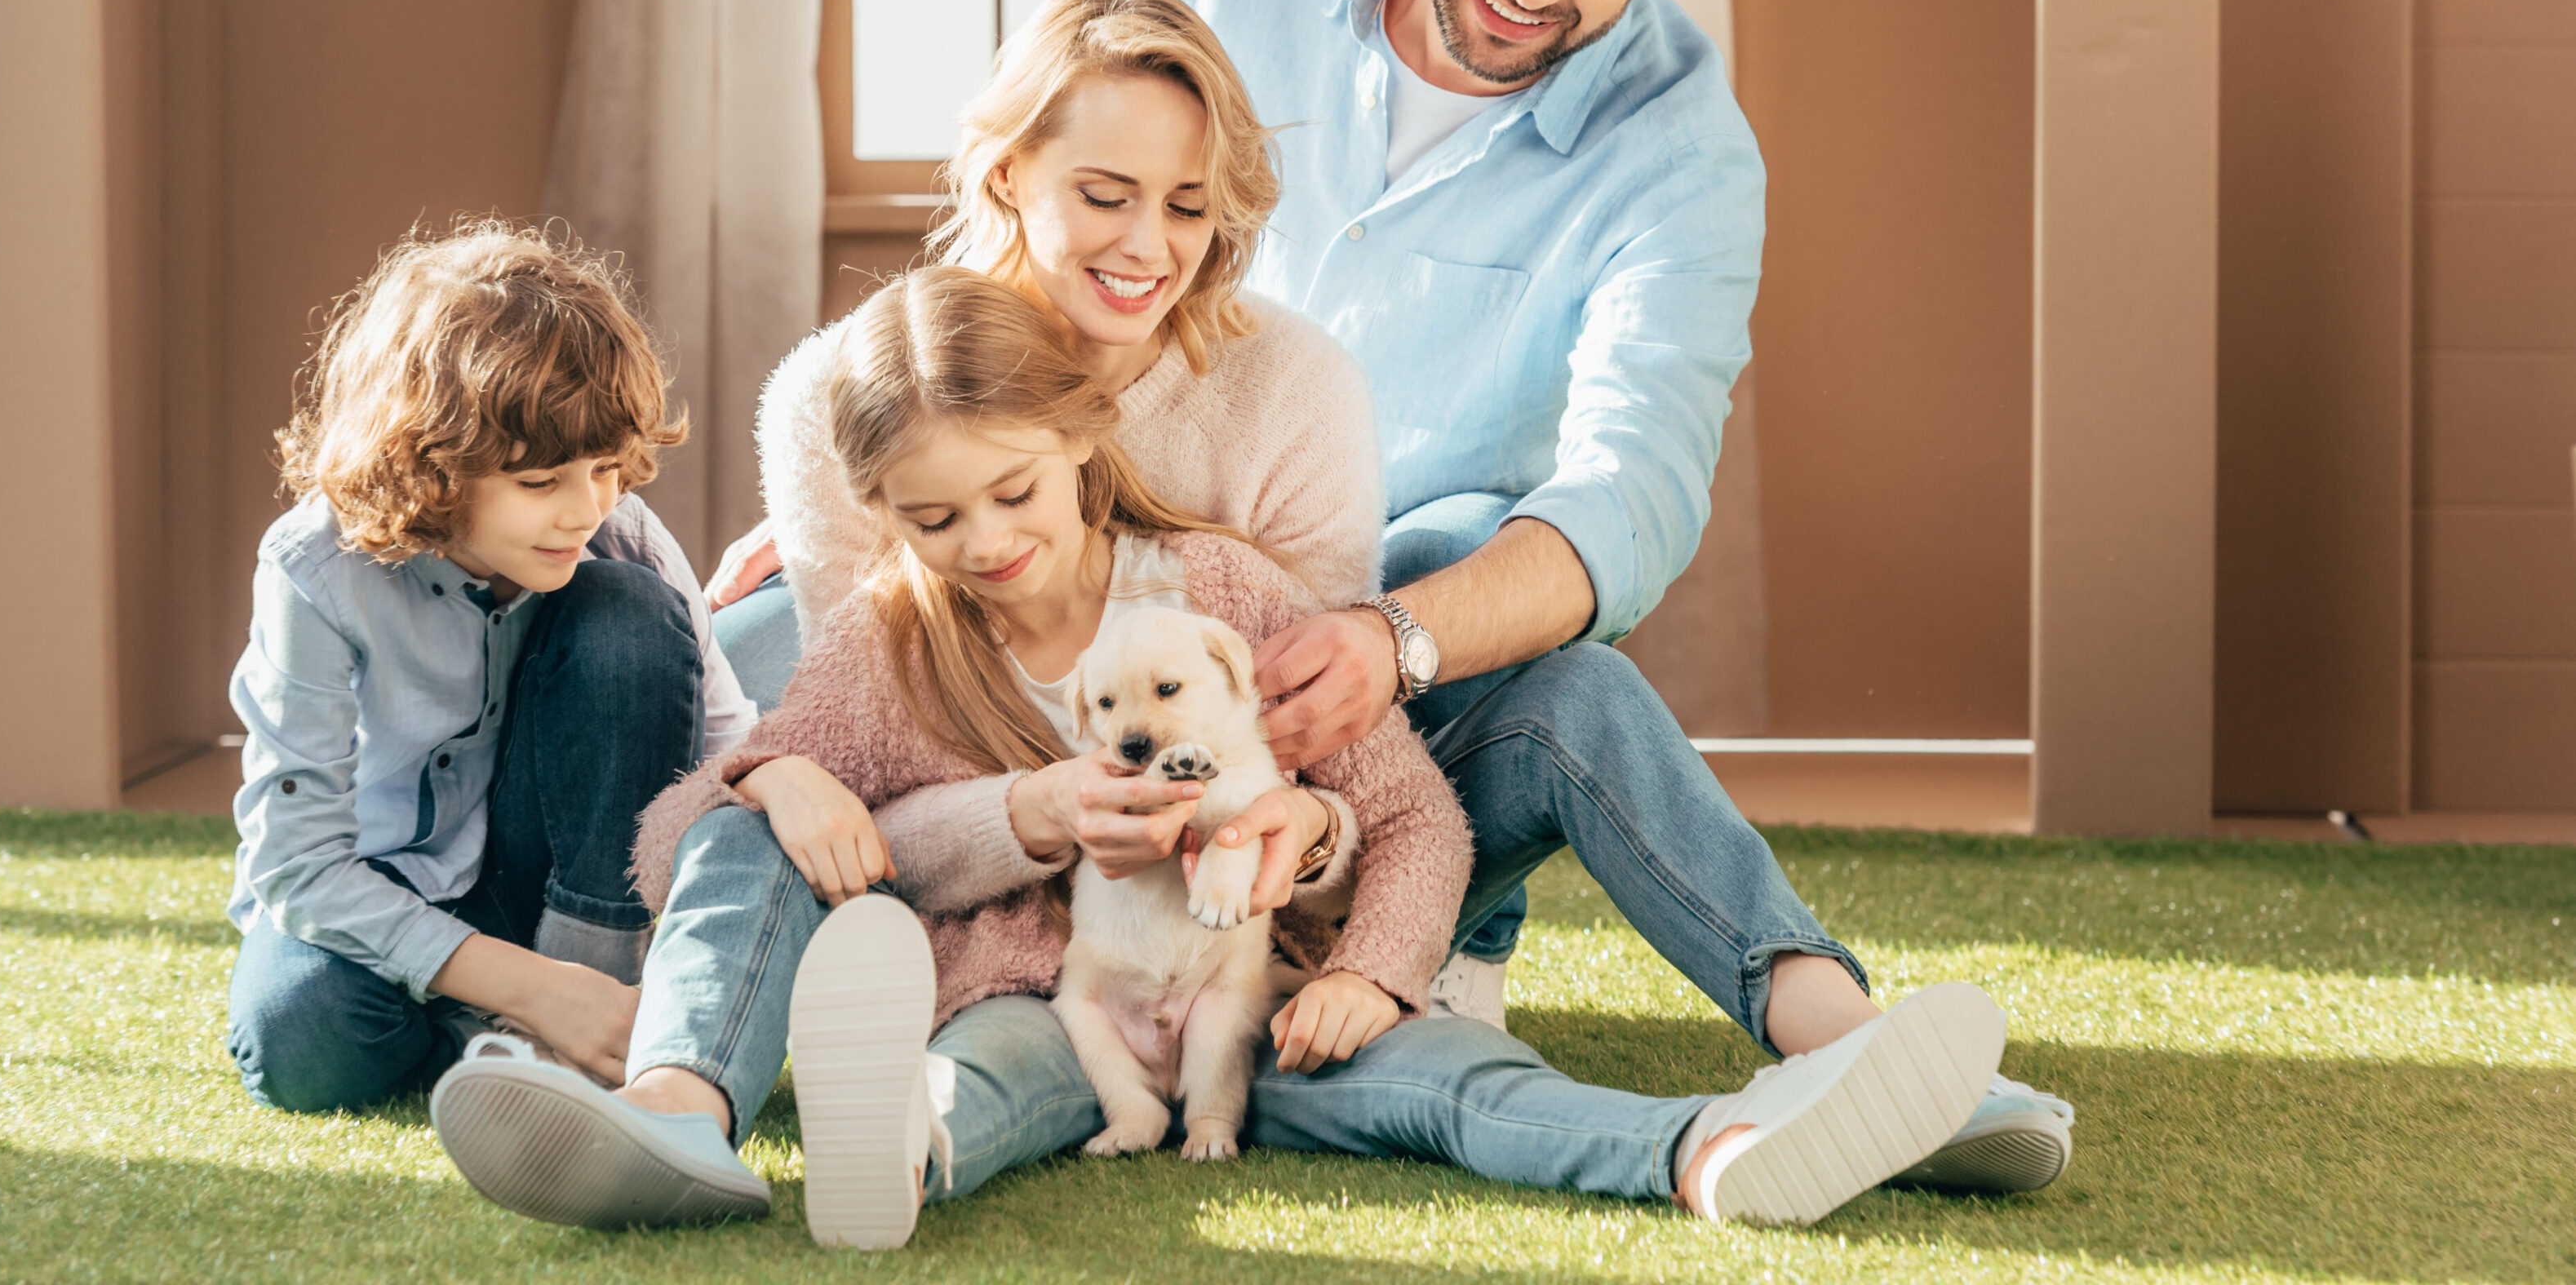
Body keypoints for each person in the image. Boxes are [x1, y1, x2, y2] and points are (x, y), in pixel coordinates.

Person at [427, 267, 2011, 1243]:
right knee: (965, 1070)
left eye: (1013, 497)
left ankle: (1722, 1148)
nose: (981, 543)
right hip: (1059, 1014)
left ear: (1077, 450)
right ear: (883, 521)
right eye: (931, 518)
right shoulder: (889, 647)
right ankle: (813, 1141)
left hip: (1274, 1000)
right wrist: (800, 779)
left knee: (1463, 1091)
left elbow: (1412, 820)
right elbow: (690, 841)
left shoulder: (1218, 594)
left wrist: (1373, 976)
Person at [1134, 0, 2073, 1191]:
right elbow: (1047, 200)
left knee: (1509, 612)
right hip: (1121, 642)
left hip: (1385, 742)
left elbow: (1634, 491)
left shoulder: (1683, 155)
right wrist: (901, 465)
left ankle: (1848, 1042)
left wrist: (1394, 639)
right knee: (803, 619)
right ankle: (658, 1025)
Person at [713, 0, 1385, 897]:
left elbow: (1304, 730)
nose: (1149, 248)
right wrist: (779, 768)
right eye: (1106, 197)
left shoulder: (1299, 390)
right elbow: (886, 719)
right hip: (968, 790)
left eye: (1187, 207)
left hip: (1209, 819)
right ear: (1004, 175)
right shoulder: (828, 394)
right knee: (723, 664)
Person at [221, 224, 756, 1112]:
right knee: (304, 1042)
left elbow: (730, 750)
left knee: (625, 609)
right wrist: (538, 992)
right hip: (382, 889)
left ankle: (568, 1018)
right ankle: (515, 1025)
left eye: (605, 469)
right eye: (540, 483)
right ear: (429, 466)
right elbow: (299, 867)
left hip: (562, 899)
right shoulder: (314, 570)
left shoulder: (617, 533)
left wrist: (788, 784)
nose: (584, 509)